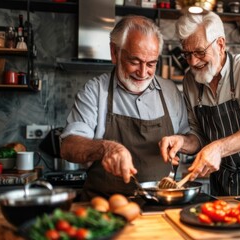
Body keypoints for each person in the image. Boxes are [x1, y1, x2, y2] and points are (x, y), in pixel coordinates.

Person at [60, 15, 189, 201]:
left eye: (151, 64)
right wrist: (106, 148)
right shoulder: (95, 91)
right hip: (105, 208)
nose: (143, 73)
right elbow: (68, 146)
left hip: (160, 208)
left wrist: (182, 142)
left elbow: (190, 139)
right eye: (134, 61)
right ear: (114, 52)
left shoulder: (170, 91)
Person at [159, 11, 240, 196]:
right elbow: (199, 137)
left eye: (200, 52)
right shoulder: (190, 82)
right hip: (223, 183)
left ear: (220, 44)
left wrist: (218, 148)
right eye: (187, 54)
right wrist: (182, 142)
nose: (193, 61)